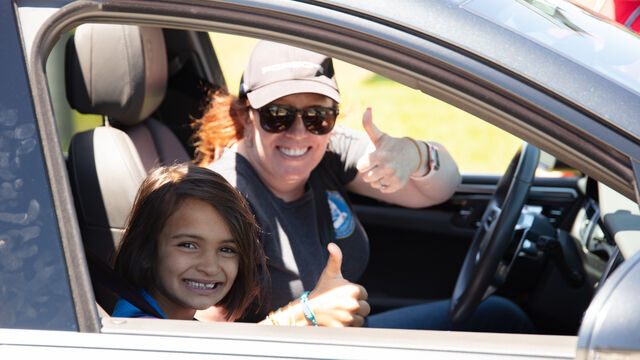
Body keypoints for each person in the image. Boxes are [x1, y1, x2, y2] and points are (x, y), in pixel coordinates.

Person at [192, 40, 533, 332]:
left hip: (347, 338)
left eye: (317, 117)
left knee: (501, 317)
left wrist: (415, 155)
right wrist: (305, 316)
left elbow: (442, 188)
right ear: (244, 116)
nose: (299, 133)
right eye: (277, 115)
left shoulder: (327, 151)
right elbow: (201, 340)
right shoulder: (225, 198)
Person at [111, 164, 369, 325]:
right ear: (146, 249)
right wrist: (302, 316)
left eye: (227, 249)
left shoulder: (175, 321)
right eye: (188, 245)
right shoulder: (139, 329)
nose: (210, 267)